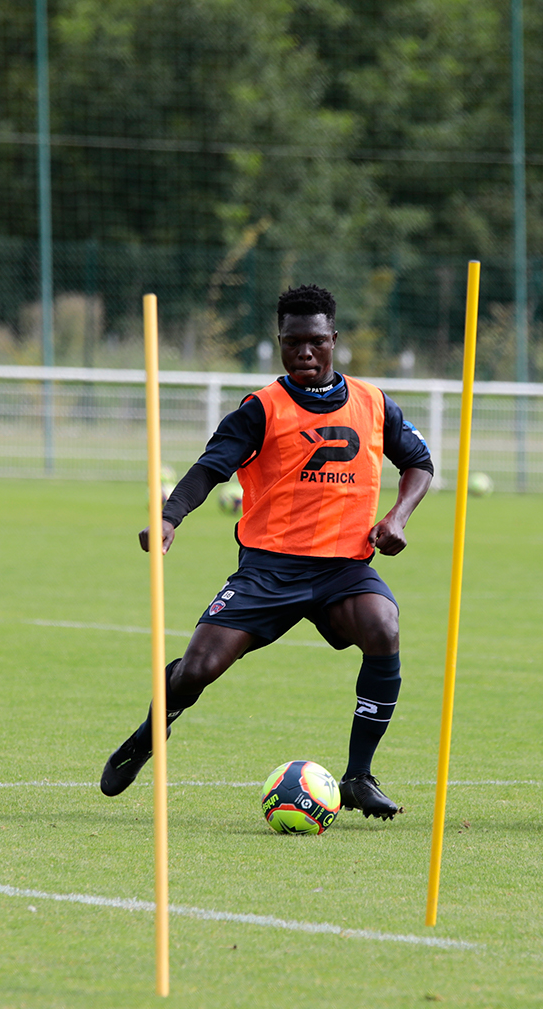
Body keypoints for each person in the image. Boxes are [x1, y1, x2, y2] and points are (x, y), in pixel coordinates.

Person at [100, 284, 435, 819]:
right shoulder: (261, 409)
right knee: (198, 669)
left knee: (384, 627)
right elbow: (210, 467)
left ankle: (358, 777)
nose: (305, 353)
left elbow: (419, 463)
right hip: (268, 572)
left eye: (316, 342)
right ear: (279, 341)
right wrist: (168, 517)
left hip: (343, 569)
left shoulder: (373, 403)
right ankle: (147, 736)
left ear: (334, 341)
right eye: (293, 342)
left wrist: (397, 517)